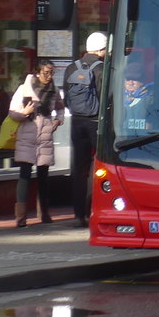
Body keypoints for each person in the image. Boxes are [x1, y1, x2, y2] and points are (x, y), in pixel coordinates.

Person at [8, 58, 64, 227]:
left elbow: (60, 107)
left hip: (45, 135)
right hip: (27, 135)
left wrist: (57, 120)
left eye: (52, 72)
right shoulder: (24, 89)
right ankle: (21, 217)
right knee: (24, 175)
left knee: (43, 176)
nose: (49, 76)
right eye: (46, 72)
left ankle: (45, 214)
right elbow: (12, 112)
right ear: (37, 72)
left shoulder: (54, 90)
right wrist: (25, 112)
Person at [63, 32, 106, 227]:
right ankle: (93, 210)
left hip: (76, 122)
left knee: (79, 169)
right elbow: (105, 98)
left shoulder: (72, 67)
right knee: (98, 167)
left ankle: (78, 214)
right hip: (95, 122)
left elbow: (66, 99)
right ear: (100, 50)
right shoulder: (101, 68)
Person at [123, 58, 154, 131]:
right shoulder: (118, 98)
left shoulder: (151, 99)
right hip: (123, 139)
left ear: (142, 80)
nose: (130, 83)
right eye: (128, 79)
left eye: (134, 79)